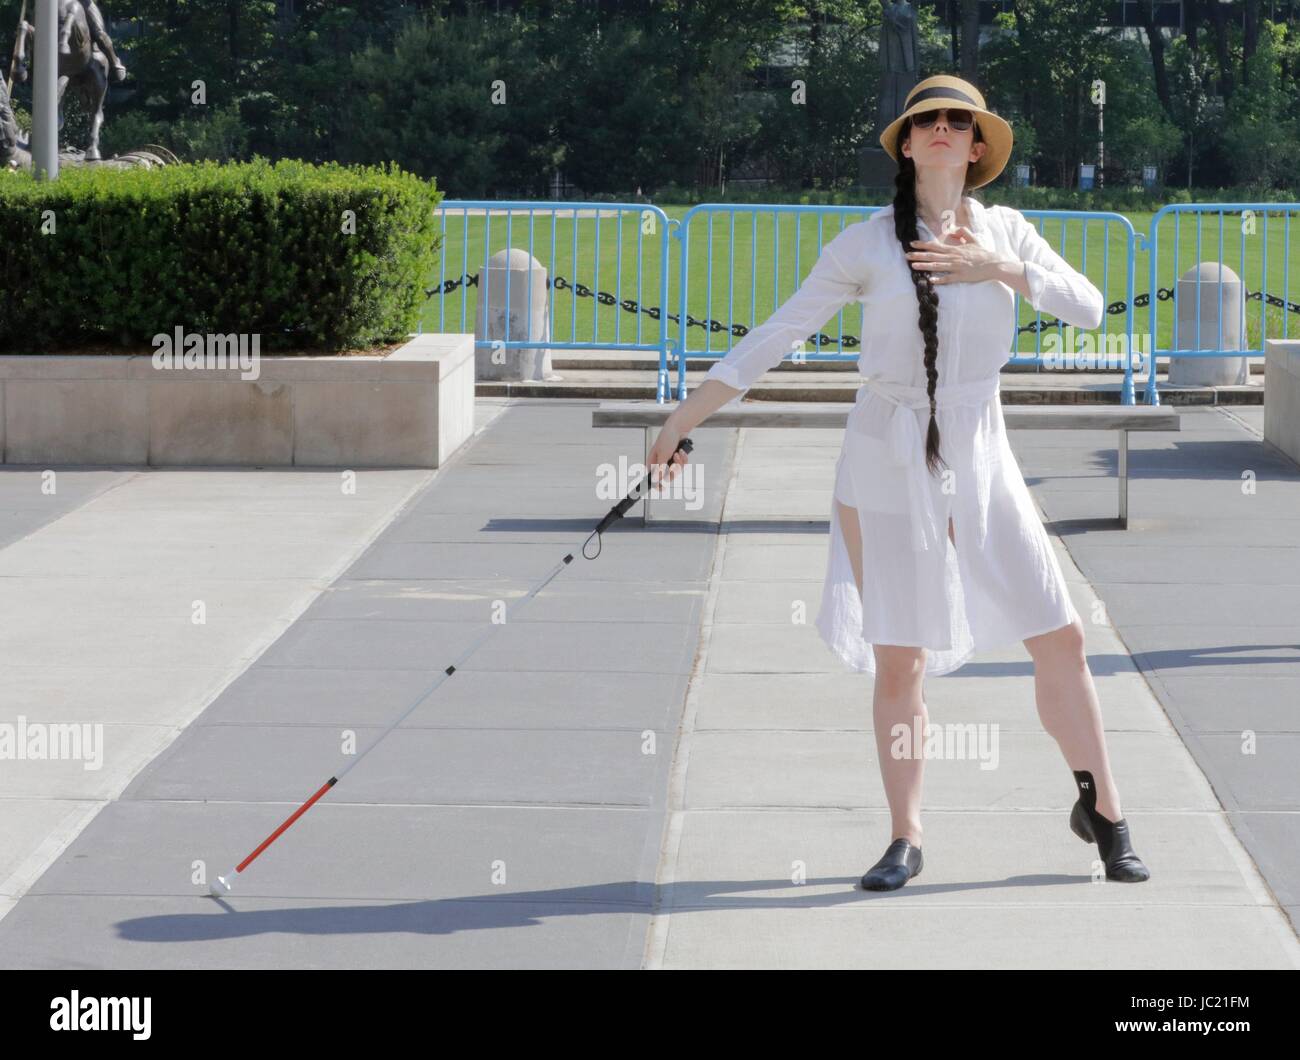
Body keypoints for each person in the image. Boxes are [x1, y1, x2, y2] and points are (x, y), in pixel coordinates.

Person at [646, 74, 1150, 892]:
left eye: (961, 121)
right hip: (885, 455)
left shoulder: (1010, 232)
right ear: (907, 144)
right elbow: (777, 334)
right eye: (929, 121)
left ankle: (1107, 810)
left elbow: (1090, 309)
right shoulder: (865, 245)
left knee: (1058, 635)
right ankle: (905, 837)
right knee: (901, 660)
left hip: (981, 450)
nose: (945, 129)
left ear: (978, 147)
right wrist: (681, 419)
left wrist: (1002, 269)